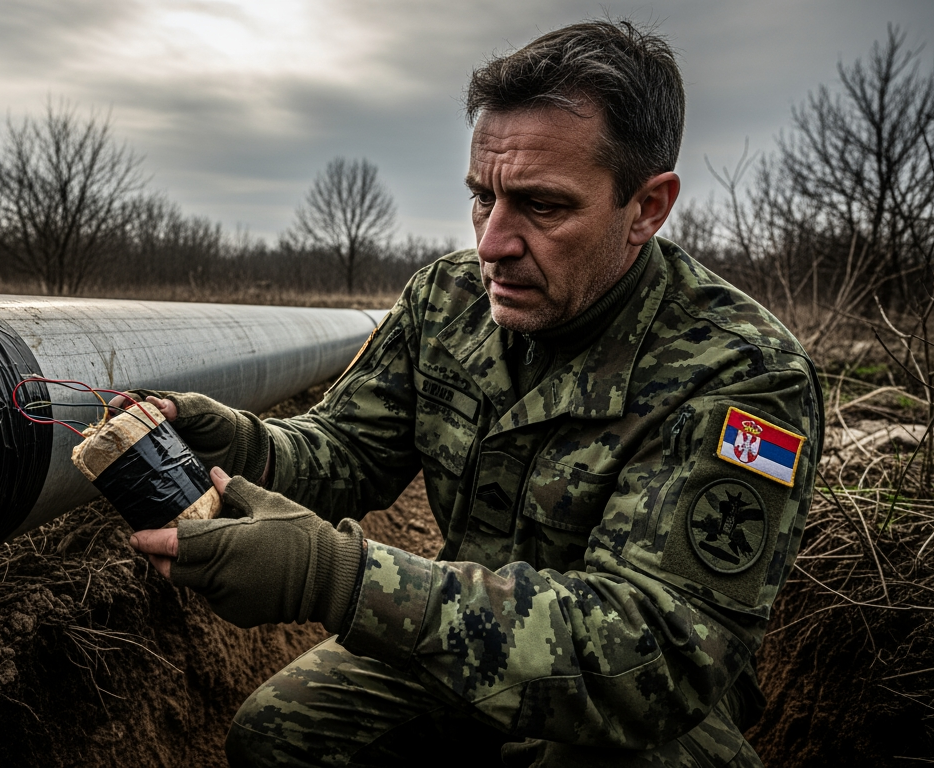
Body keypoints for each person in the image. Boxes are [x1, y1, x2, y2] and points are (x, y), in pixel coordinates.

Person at [127, 19, 820, 767]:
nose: (492, 242)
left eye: (542, 206)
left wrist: (335, 577)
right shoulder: (447, 297)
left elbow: (655, 656)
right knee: (278, 737)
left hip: (640, 715)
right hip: (456, 642)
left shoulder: (742, 373)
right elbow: (351, 448)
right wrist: (251, 446)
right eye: (481, 197)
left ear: (646, 208)